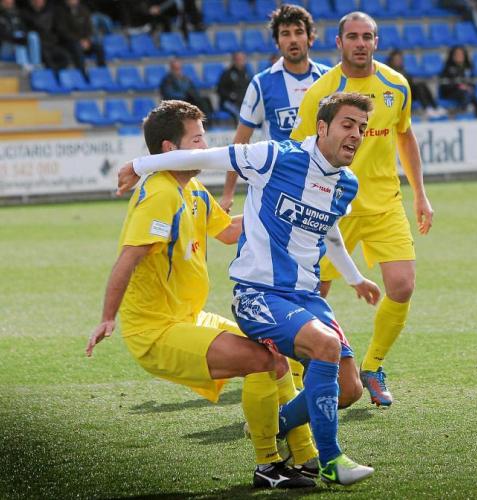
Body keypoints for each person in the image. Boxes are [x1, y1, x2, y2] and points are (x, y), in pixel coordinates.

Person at [118, 92, 381, 486]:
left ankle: (278, 423)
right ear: (322, 127)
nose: (356, 134)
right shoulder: (275, 156)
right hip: (259, 295)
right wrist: (139, 165)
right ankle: (330, 460)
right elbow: (211, 158)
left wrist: (355, 277)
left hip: (306, 296)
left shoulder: (347, 184)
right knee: (324, 347)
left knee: (349, 389)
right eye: (347, 124)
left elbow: (328, 232)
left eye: (361, 127)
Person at [86, 100, 316, 490]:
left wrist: (287, 211)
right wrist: (108, 318)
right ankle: (268, 465)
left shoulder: (190, 188)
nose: (205, 147)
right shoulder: (160, 194)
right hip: (156, 332)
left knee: (274, 352)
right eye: (197, 140)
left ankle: (307, 457)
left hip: (189, 318)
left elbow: (227, 231)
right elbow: (128, 258)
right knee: (261, 361)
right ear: (169, 149)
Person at [290, 12, 434, 407]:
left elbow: (405, 136)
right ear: (338, 43)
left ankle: (372, 366)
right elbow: (298, 149)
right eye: (352, 36)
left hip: (384, 203)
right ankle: (302, 375)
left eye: (367, 37)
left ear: (376, 42)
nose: (360, 43)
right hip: (332, 206)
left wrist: (420, 194)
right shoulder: (321, 92)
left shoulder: (396, 85)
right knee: (313, 292)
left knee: (402, 286)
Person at [219, 3, 328, 212]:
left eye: (299, 32)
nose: (293, 39)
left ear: (311, 38)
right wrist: (227, 194)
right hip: (277, 187)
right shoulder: (261, 84)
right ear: (277, 42)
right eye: (285, 33)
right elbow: (240, 142)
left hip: (321, 188)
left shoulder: (328, 79)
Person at [386, 48, 445, 119]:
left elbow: (409, 82)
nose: (399, 61)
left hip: (408, 93)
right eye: (396, 59)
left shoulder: (403, 70)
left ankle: (434, 107)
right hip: (397, 95)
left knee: (421, 85)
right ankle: (427, 109)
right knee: (418, 87)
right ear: (391, 61)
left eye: (400, 59)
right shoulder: (388, 72)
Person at [55, 0, 106, 78]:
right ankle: (83, 74)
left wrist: (87, 40)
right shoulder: (60, 11)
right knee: (76, 47)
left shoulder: (84, 10)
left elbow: (89, 27)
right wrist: (78, 40)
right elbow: (62, 31)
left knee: (99, 47)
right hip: (68, 43)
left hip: (84, 41)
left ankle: (103, 72)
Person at [22, 0, 71, 74]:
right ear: (32, 2)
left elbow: (56, 29)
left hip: (51, 44)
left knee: (66, 57)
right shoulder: (26, 13)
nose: (39, 1)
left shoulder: (49, 13)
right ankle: (51, 76)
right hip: (38, 46)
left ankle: (55, 74)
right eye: (36, 0)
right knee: (48, 59)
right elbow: (31, 29)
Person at [0, 0, 41, 71]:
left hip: (17, 43)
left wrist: (24, 36)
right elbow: (3, 35)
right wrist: (17, 39)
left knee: (33, 35)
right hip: (4, 47)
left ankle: (36, 63)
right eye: (6, 1)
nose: (9, 2)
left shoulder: (17, 13)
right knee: (18, 35)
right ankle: (23, 64)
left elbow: (24, 28)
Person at [439, 45, 477, 112]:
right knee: (464, 94)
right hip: (451, 92)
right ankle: (463, 112)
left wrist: (470, 87)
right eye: (457, 54)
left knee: (473, 96)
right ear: (452, 56)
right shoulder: (447, 69)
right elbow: (444, 85)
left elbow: (472, 82)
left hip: (466, 92)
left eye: (461, 54)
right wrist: (459, 86)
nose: (459, 56)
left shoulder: (468, 68)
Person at [216, 51, 251, 122]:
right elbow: (220, 89)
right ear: (234, 60)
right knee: (240, 114)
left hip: (242, 101)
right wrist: (231, 96)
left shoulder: (246, 73)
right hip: (229, 102)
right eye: (239, 59)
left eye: (243, 59)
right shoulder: (227, 73)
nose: (241, 61)